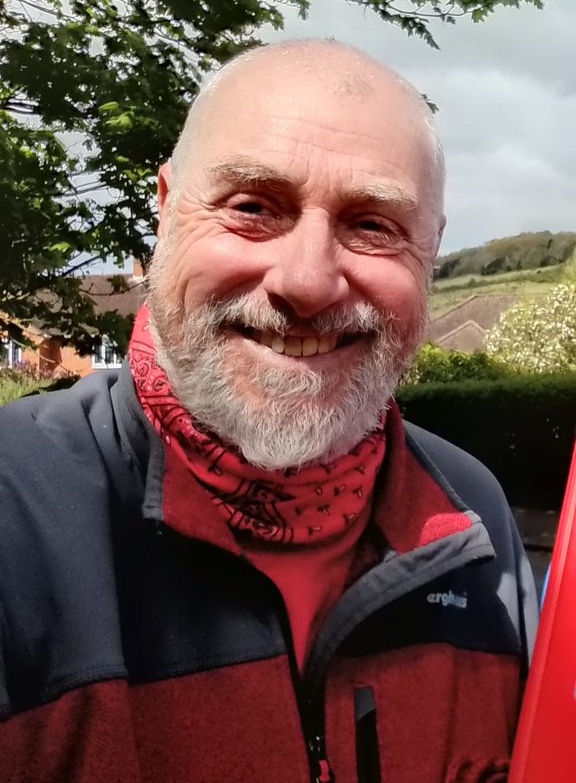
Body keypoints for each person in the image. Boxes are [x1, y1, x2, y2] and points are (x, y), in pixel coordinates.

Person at [0, 40, 538, 782]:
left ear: (431, 251)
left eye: (374, 225)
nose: (308, 282)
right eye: (253, 207)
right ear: (164, 213)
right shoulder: (13, 511)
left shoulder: (471, 512)